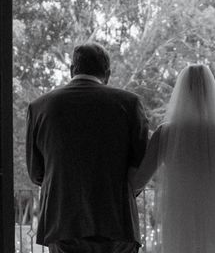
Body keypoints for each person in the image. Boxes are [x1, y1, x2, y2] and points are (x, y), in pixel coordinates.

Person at [26, 42, 149, 253]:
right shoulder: (130, 104)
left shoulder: (39, 107)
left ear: (72, 70)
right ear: (107, 74)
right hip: (118, 223)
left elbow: (36, 173)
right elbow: (141, 169)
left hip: (62, 224)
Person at [130, 64, 215, 253]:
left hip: (180, 227)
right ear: (212, 93)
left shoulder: (165, 135)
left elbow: (137, 183)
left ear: (181, 94)